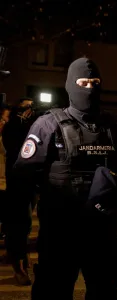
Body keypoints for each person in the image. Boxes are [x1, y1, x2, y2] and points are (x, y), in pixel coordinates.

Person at [13, 57, 117, 300]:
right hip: (60, 233)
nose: (89, 88)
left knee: (104, 292)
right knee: (53, 291)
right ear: (70, 85)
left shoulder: (110, 126)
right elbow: (22, 180)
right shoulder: (47, 124)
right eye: (83, 82)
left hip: (101, 233)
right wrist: (18, 235)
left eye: (95, 82)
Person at [1, 98, 37, 285]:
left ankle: (19, 258)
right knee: (16, 227)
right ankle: (18, 265)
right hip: (10, 187)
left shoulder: (20, 128)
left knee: (22, 226)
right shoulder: (12, 129)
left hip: (20, 184)